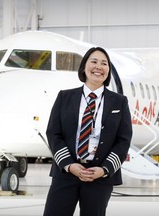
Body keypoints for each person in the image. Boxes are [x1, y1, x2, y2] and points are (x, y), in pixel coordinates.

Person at [43, 47, 133, 216]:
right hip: (66, 173)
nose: (99, 66)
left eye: (104, 63)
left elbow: (123, 140)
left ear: (108, 70)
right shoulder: (64, 97)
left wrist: (105, 169)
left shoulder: (119, 102)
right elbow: (54, 133)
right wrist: (69, 165)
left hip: (99, 176)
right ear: (84, 67)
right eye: (94, 61)